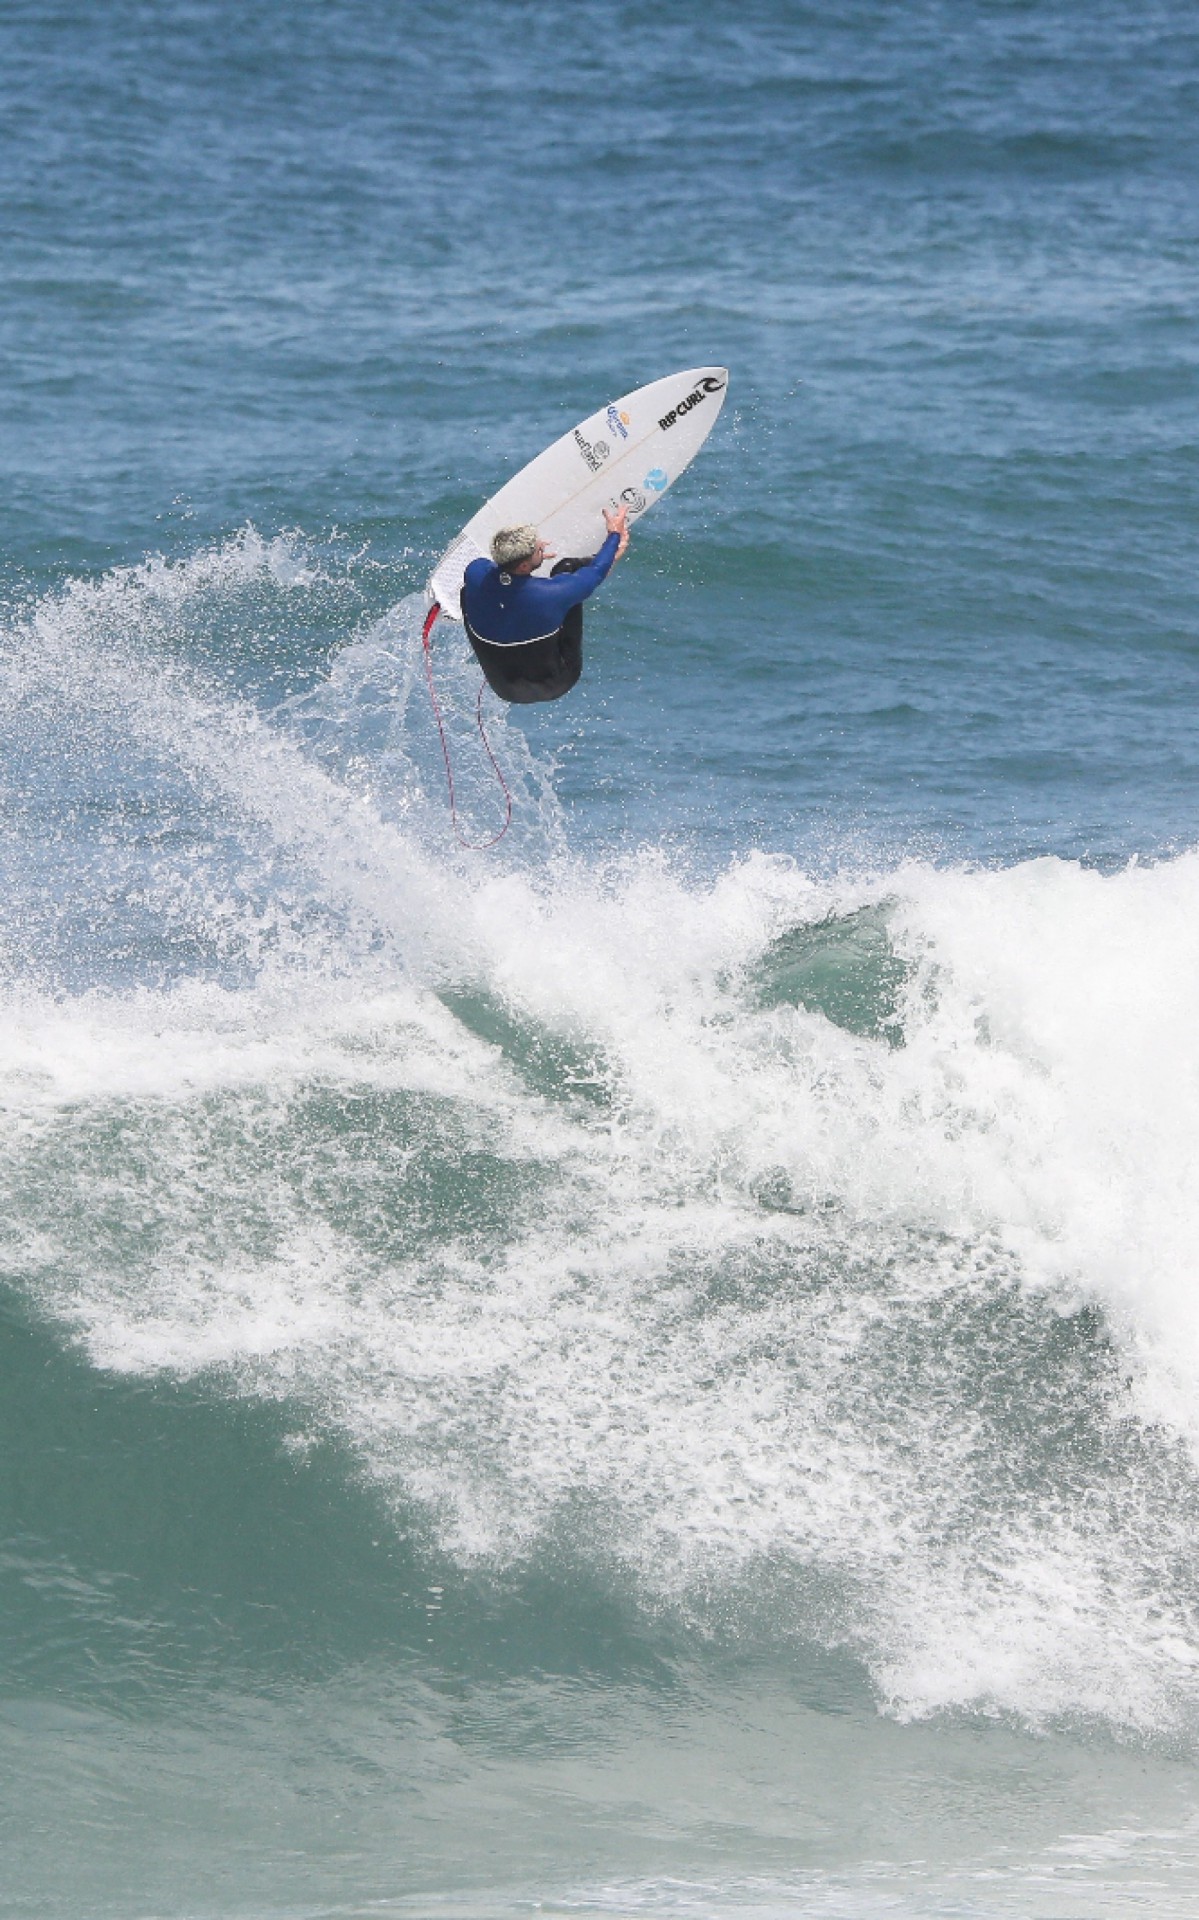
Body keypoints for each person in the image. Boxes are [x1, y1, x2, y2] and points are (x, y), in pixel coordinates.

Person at [459, 505, 630, 704]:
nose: (542, 546)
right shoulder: (552, 594)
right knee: (567, 569)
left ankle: (513, 583)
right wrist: (614, 536)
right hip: (558, 683)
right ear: (523, 565)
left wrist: (526, 561)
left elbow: (496, 572)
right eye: (539, 549)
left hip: (504, 688)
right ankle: (615, 554)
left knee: (467, 591)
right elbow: (597, 572)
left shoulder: (475, 570)